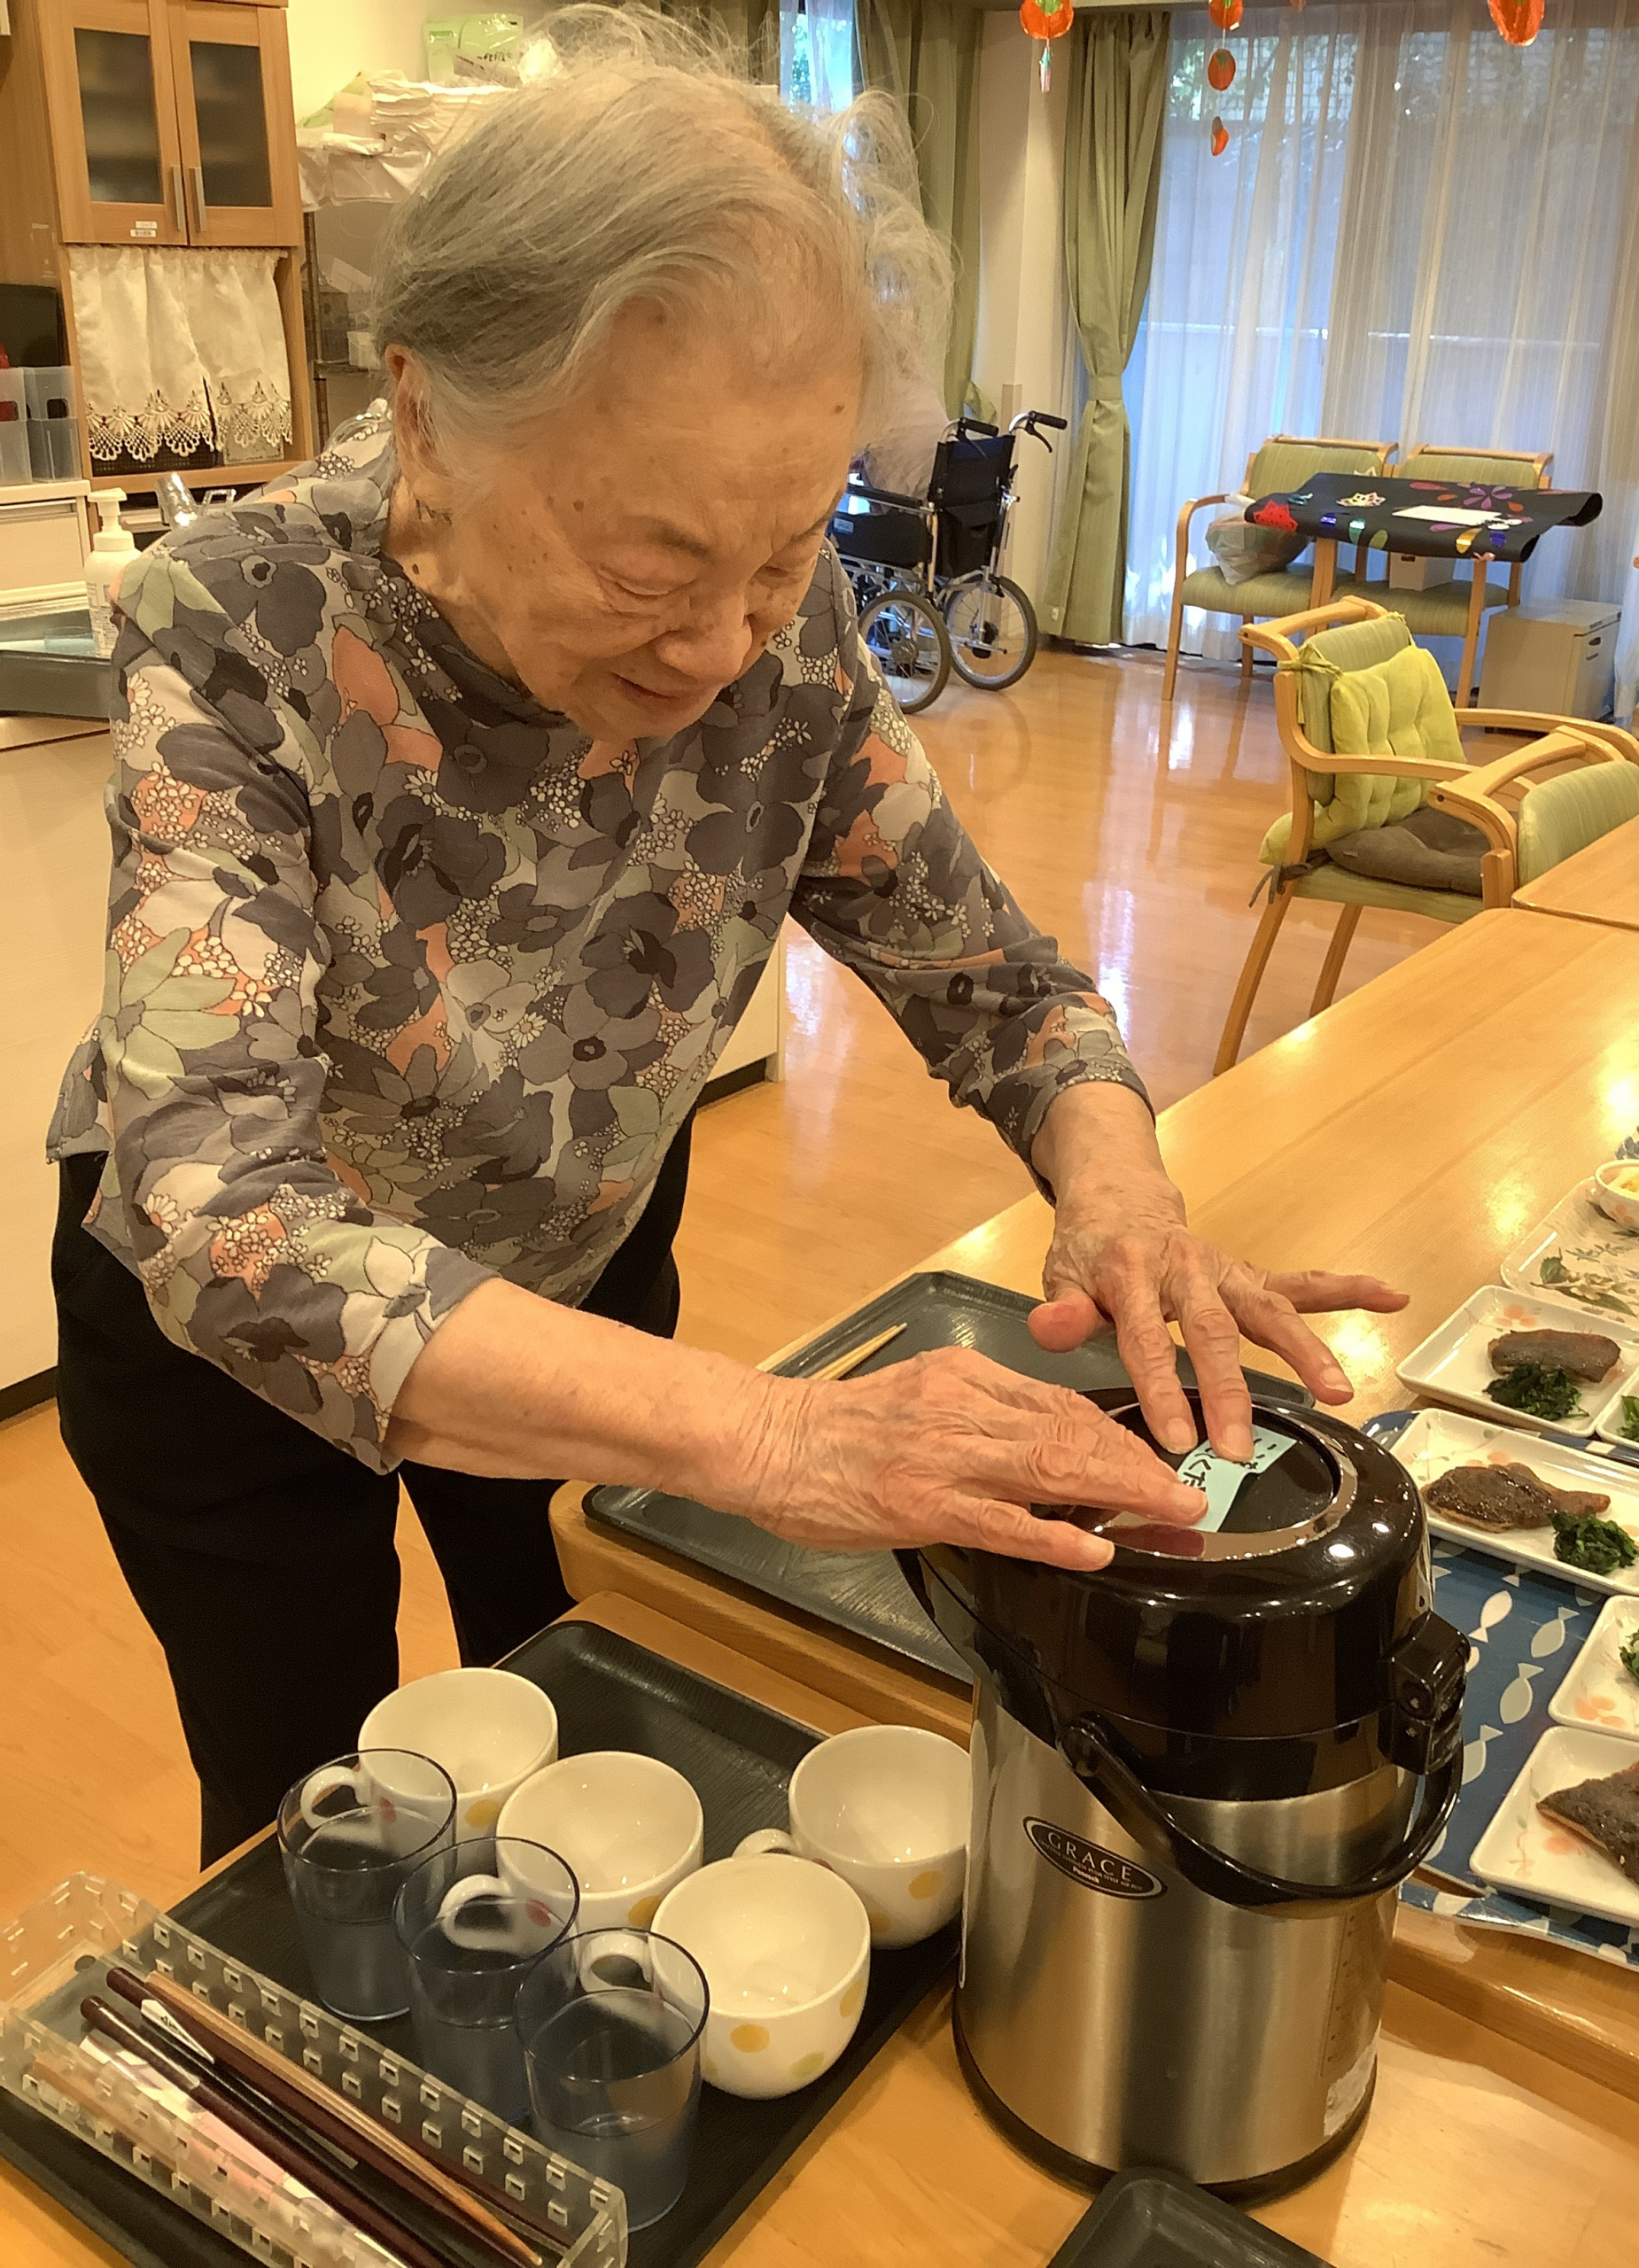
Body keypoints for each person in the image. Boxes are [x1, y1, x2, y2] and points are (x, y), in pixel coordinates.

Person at [48, 7, 1404, 1861]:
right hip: (237, 1345)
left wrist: (1124, 1197)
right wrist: (774, 1435)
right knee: (320, 1821)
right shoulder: (241, 617)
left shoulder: (787, 621)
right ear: (430, 412)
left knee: (601, 1727)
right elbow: (222, 1211)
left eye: (780, 551)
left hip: (581, 1265)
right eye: (652, 566)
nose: (722, 645)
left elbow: (998, 981)